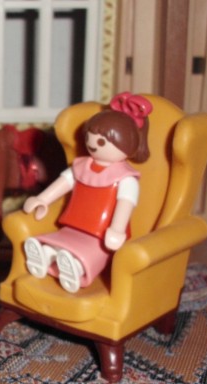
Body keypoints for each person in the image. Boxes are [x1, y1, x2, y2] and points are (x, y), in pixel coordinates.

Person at [21, 92, 153, 293]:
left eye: (101, 142)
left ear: (125, 145)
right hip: (74, 225)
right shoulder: (82, 166)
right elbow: (64, 182)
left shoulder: (126, 178)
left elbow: (125, 205)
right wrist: (42, 199)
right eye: (90, 138)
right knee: (59, 241)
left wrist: (117, 230)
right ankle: (46, 255)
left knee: (92, 253)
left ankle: (75, 268)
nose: (92, 145)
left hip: (101, 235)